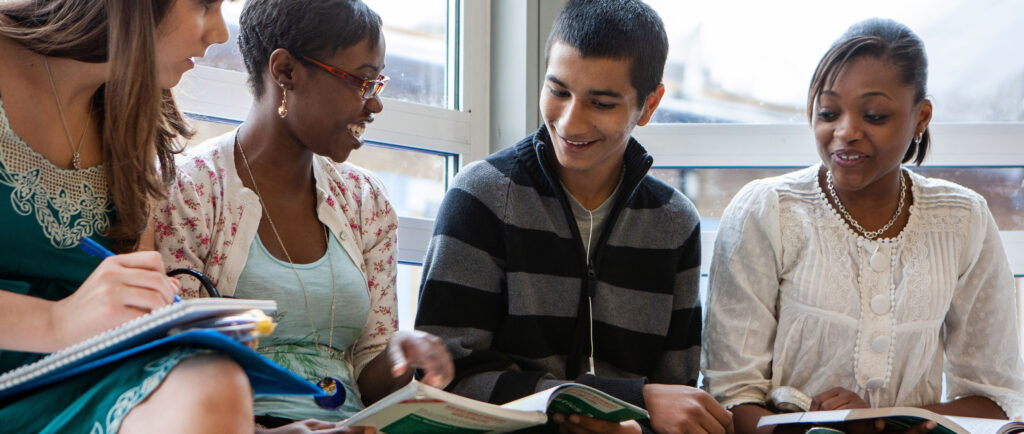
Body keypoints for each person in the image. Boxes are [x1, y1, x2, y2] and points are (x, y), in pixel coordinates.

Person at [414, 1, 733, 433]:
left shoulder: (673, 223)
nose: (569, 122)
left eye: (600, 103)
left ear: (650, 103)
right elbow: (445, 382)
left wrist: (631, 419)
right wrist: (617, 403)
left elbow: (675, 394)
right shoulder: (481, 197)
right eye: (558, 91)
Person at [702, 18, 1024, 434]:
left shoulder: (963, 219)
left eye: (874, 115)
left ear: (920, 116)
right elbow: (731, 398)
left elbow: (996, 398)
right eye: (828, 112)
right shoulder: (769, 210)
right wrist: (833, 426)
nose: (845, 132)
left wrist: (877, 423)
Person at [153, 0, 454, 431]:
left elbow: (371, 368)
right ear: (285, 71)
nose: (374, 105)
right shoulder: (190, 191)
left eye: (378, 83)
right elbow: (172, 369)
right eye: (361, 81)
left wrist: (406, 355)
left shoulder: (366, 201)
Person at [0, 0, 260, 433]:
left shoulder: (131, 116)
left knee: (212, 381)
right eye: (204, 4)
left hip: (76, 384)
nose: (219, 33)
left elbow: (133, 296)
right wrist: (55, 322)